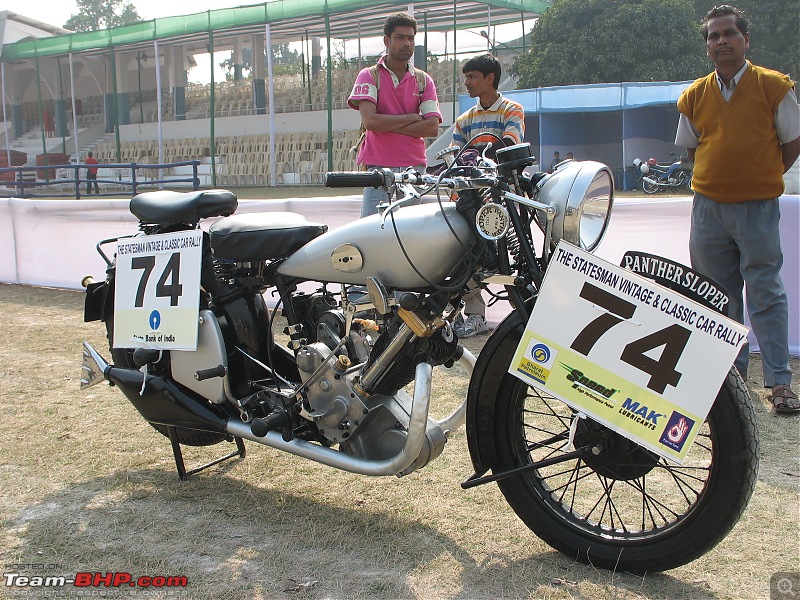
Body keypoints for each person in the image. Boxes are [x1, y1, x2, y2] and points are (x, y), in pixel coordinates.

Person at [675, 5, 800, 413]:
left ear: (746, 40)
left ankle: (780, 384)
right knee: (715, 297)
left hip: (758, 207)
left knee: (765, 292)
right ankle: (730, 383)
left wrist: (762, 178)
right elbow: (692, 150)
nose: (721, 41)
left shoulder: (774, 86)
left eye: (729, 33)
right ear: (708, 46)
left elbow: (792, 141)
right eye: (713, 36)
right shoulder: (694, 95)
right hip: (708, 210)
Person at [451, 54, 525, 338]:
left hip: (502, 198)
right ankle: (475, 316)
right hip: (470, 200)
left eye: (472, 77)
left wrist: (478, 157)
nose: (467, 83)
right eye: (466, 77)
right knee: (463, 250)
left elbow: (509, 144)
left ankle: (526, 313)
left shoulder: (512, 109)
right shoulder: (464, 119)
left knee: (513, 257)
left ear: (490, 78)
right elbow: (456, 159)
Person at [348, 12, 442, 217]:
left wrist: (386, 123)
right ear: (386, 40)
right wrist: (411, 117)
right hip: (378, 168)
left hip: (414, 168)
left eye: (410, 38)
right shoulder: (369, 75)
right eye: (400, 37)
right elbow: (371, 122)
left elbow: (432, 127)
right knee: (373, 231)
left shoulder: (423, 80)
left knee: (410, 235)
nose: (406, 43)